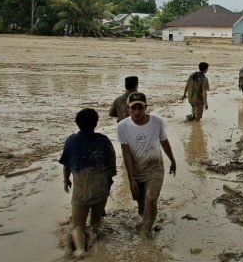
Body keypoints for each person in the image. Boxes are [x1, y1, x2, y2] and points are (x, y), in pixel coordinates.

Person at [59, 108, 116, 258]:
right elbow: (111, 167)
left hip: (81, 190)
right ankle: (94, 237)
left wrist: (66, 180)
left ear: (77, 123)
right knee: (96, 223)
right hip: (100, 188)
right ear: (96, 123)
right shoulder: (103, 140)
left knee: (77, 226)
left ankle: (79, 249)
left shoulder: (72, 141)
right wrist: (108, 186)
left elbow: (67, 164)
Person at [117, 92, 176, 234]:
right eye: (133, 108)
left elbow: (164, 142)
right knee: (142, 204)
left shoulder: (157, 122)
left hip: (155, 167)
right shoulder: (122, 126)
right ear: (128, 108)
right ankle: (146, 220)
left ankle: (145, 231)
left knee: (151, 198)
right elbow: (126, 153)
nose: (137, 112)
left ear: (146, 107)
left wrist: (172, 160)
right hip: (137, 170)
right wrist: (131, 180)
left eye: (140, 108)